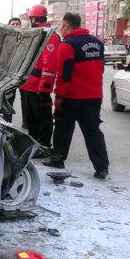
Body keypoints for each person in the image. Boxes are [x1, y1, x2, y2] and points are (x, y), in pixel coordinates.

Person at [43, 13, 109, 180]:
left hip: (71, 97)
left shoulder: (67, 45)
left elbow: (64, 74)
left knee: (63, 128)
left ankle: (58, 159)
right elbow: (101, 69)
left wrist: (59, 98)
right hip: (94, 97)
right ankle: (101, 168)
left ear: (66, 26)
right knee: (93, 131)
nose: (60, 29)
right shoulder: (97, 43)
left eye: (60, 26)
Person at [19, 5, 60, 152]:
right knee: (31, 119)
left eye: (30, 18)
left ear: (34, 18)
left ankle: (43, 146)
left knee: (42, 119)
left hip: (38, 87)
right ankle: (34, 145)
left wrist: (44, 89)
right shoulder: (37, 33)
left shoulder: (49, 36)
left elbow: (50, 65)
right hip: (28, 85)